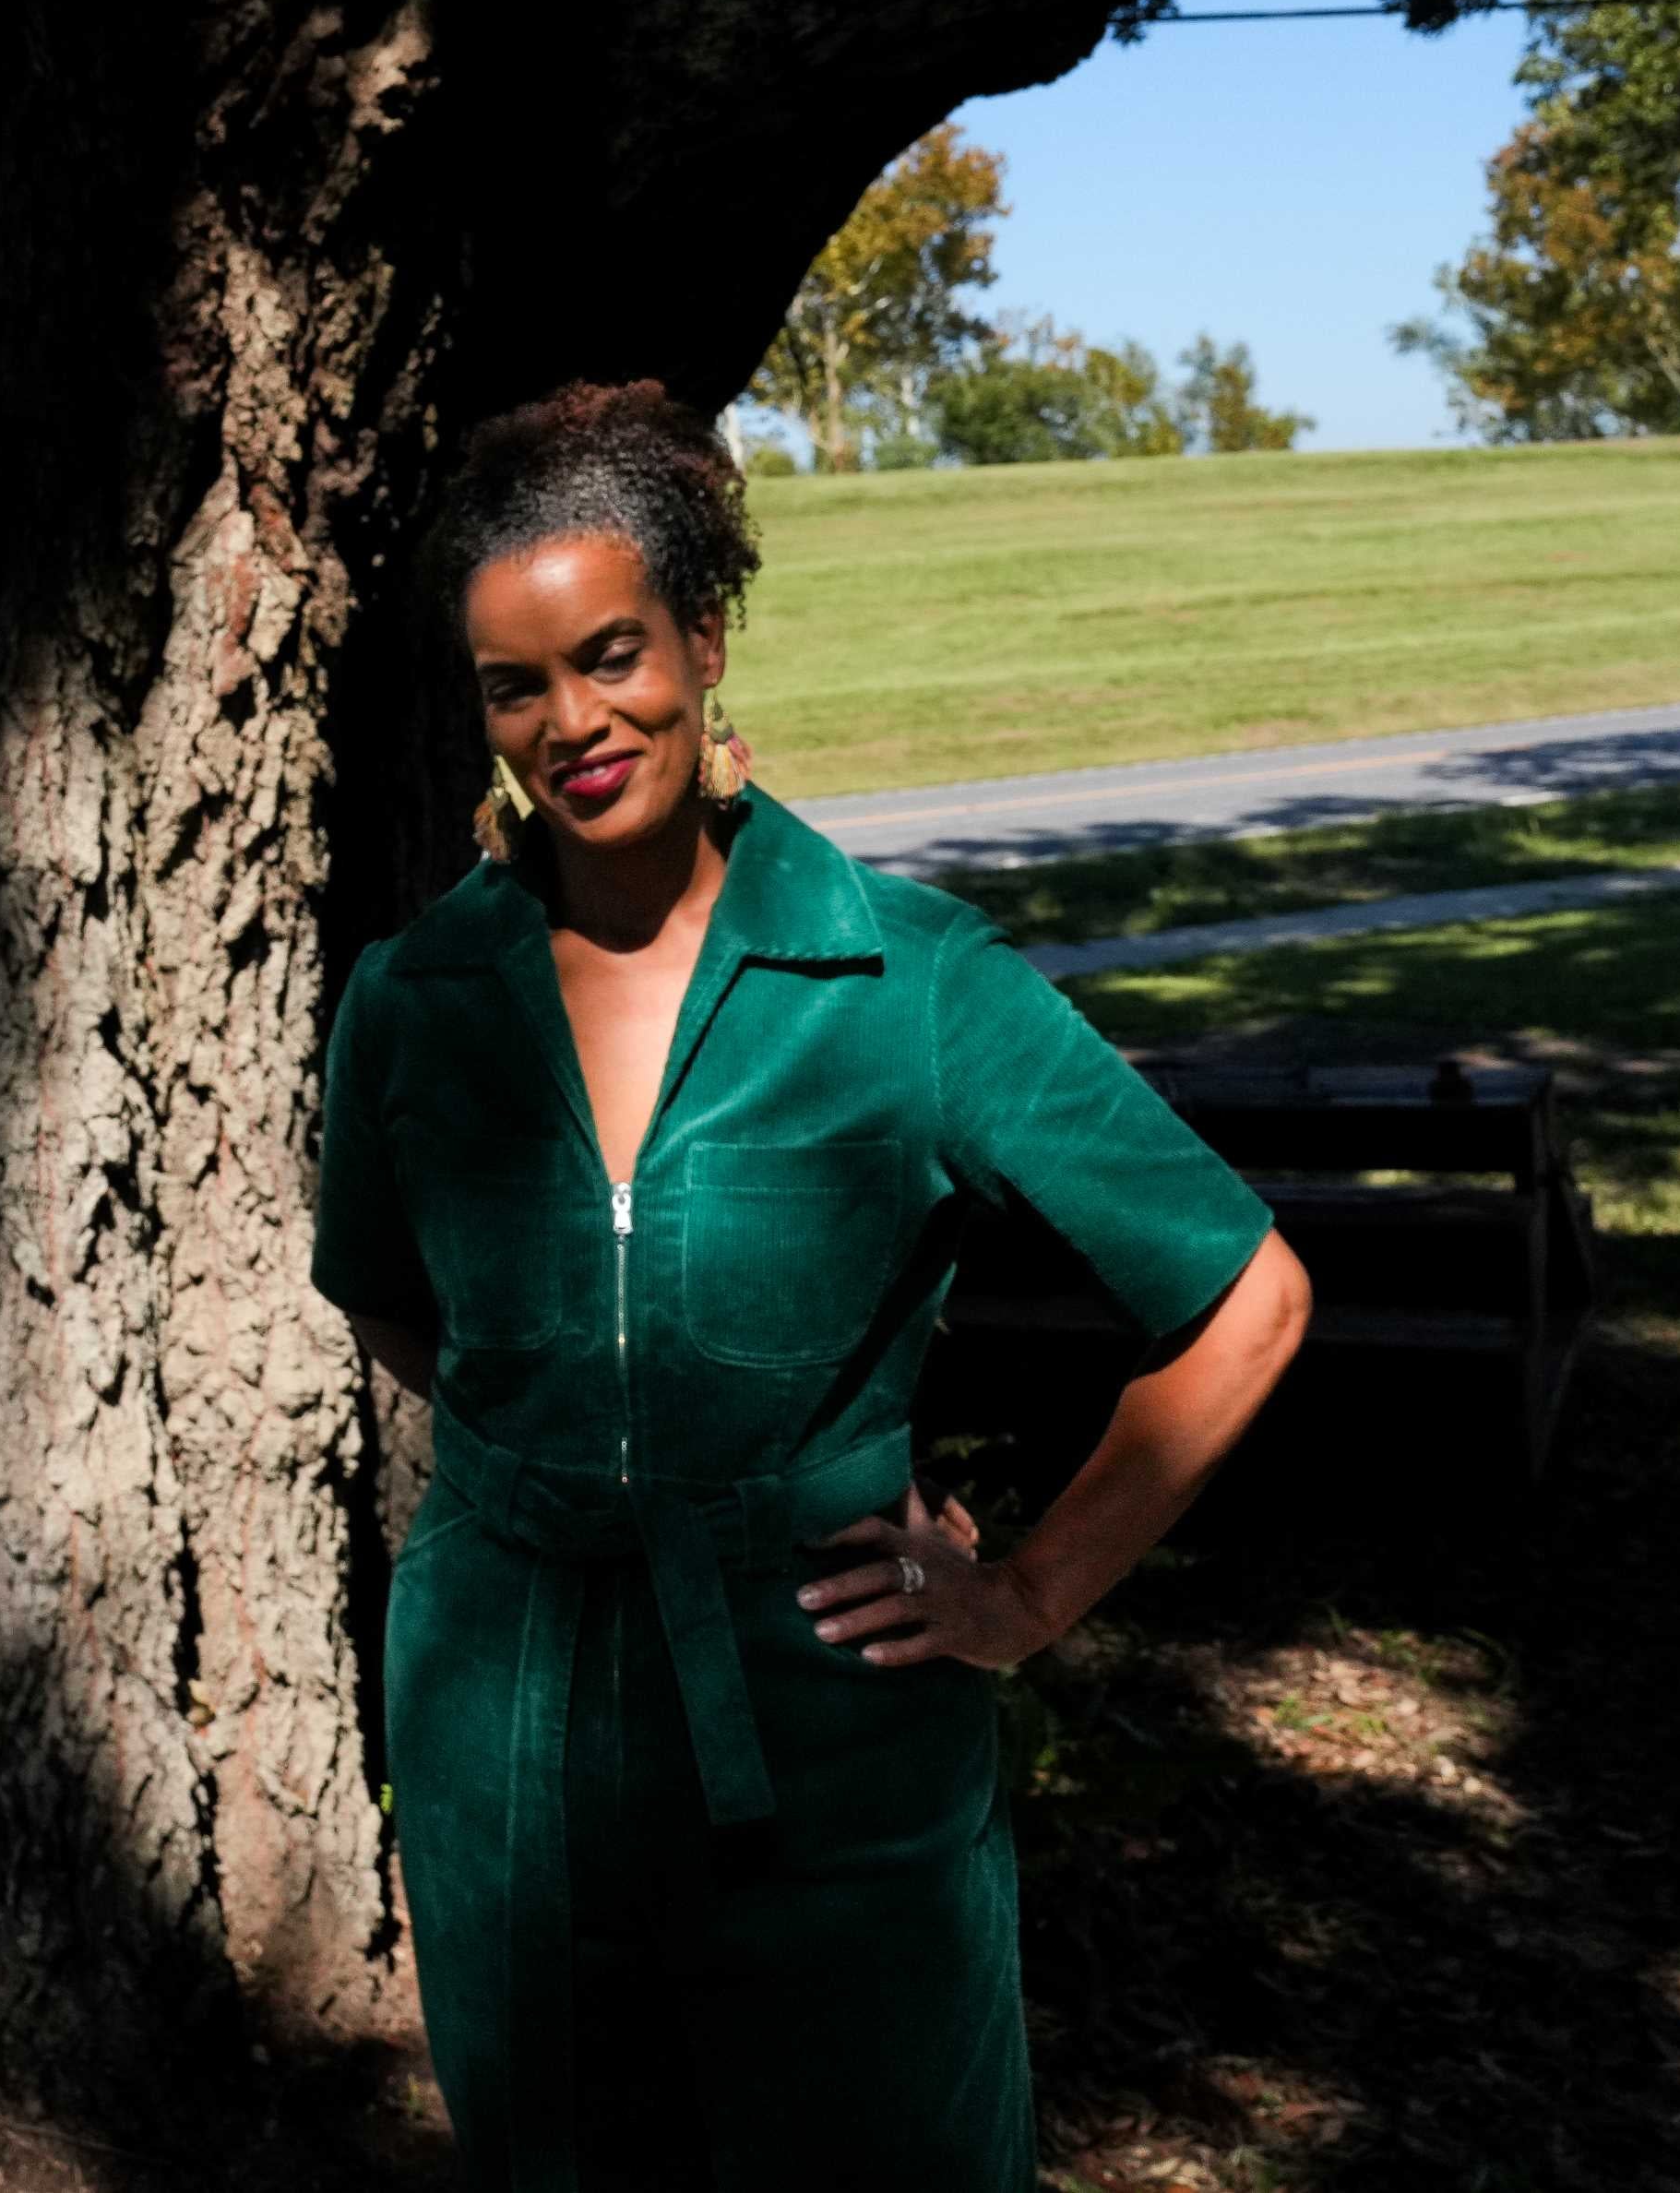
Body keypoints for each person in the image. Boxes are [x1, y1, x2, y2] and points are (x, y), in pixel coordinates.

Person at [310, 382, 1312, 2193]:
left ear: (700, 639)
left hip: (830, 1733)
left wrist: (1025, 1588)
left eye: (609, 653)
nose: (570, 721)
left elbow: (1241, 1292)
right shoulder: (411, 1000)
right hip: (501, 1736)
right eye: (513, 682)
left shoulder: (901, 976)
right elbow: (400, 1310)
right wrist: (565, 1456)